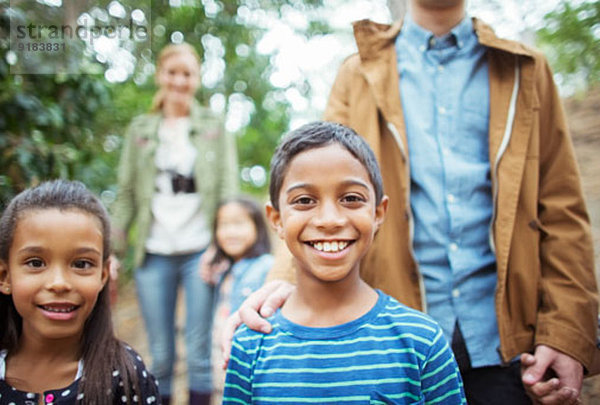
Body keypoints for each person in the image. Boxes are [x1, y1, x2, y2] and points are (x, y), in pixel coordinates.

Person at [222, 1, 599, 404]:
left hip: (506, 343)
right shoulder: (358, 73)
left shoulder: (527, 70)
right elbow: (317, 187)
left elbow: (561, 210)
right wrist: (282, 282)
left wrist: (566, 331)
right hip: (389, 342)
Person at [222, 121, 466, 404]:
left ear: (378, 213)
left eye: (351, 198)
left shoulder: (422, 343)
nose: (329, 220)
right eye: (304, 200)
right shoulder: (250, 346)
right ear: (276, 219)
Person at [111, 42, 238, 405]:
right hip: (154, 253)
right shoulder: (140, 129)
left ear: (196, 79)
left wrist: (221, 244)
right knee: (162, 355)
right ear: (159, 75)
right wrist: (112, 250)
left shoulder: (214, 126)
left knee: (199, 353)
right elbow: (126, 194)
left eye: (187, 74)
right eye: (172, 72)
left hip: (201, 250)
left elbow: (228, 190)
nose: (179, 81)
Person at [0, 179, 160, 404]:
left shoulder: (125, 377)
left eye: (82, 264)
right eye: (36, 263)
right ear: (5, 276)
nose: (59, 283)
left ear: (103, 275)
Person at [201, 196, 273, 401]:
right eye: (223, 225)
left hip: (246, 361)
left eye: (239, 224)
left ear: (257, 228)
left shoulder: (266, 266)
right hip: (221, 356)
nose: (230, 232)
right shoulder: (224, 270)